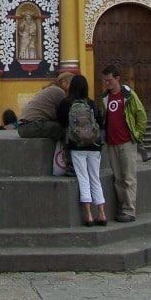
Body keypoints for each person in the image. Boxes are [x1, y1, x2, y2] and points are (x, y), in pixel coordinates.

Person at [99, 64, 148, 222]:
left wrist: (138, 135)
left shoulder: (129, 96)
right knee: (118, 178)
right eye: (105, 81)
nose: (107, 83)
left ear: (117, 79)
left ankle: (130, 210)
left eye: (109, 80)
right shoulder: (105, 97)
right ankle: (122, 206)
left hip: (126, 141)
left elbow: (141, 115)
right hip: (112, 142)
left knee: (129, 177)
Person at [57, 74, 107, 226]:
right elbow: (100, 123)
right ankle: (102, 214)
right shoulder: (91, 104)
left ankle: (89, 216)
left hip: (77, 145)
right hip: (94, 145)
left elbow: (61, 121)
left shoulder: (66, 103)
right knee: (95, 179)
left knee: (83, 178)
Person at [17, 72, 73, 141]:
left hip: (23, 127)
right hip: (32, 126)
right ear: (64, 82)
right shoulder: (59, 92)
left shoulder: (50, 88)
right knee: (64, 129)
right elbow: (65, 113)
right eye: (72, 84)